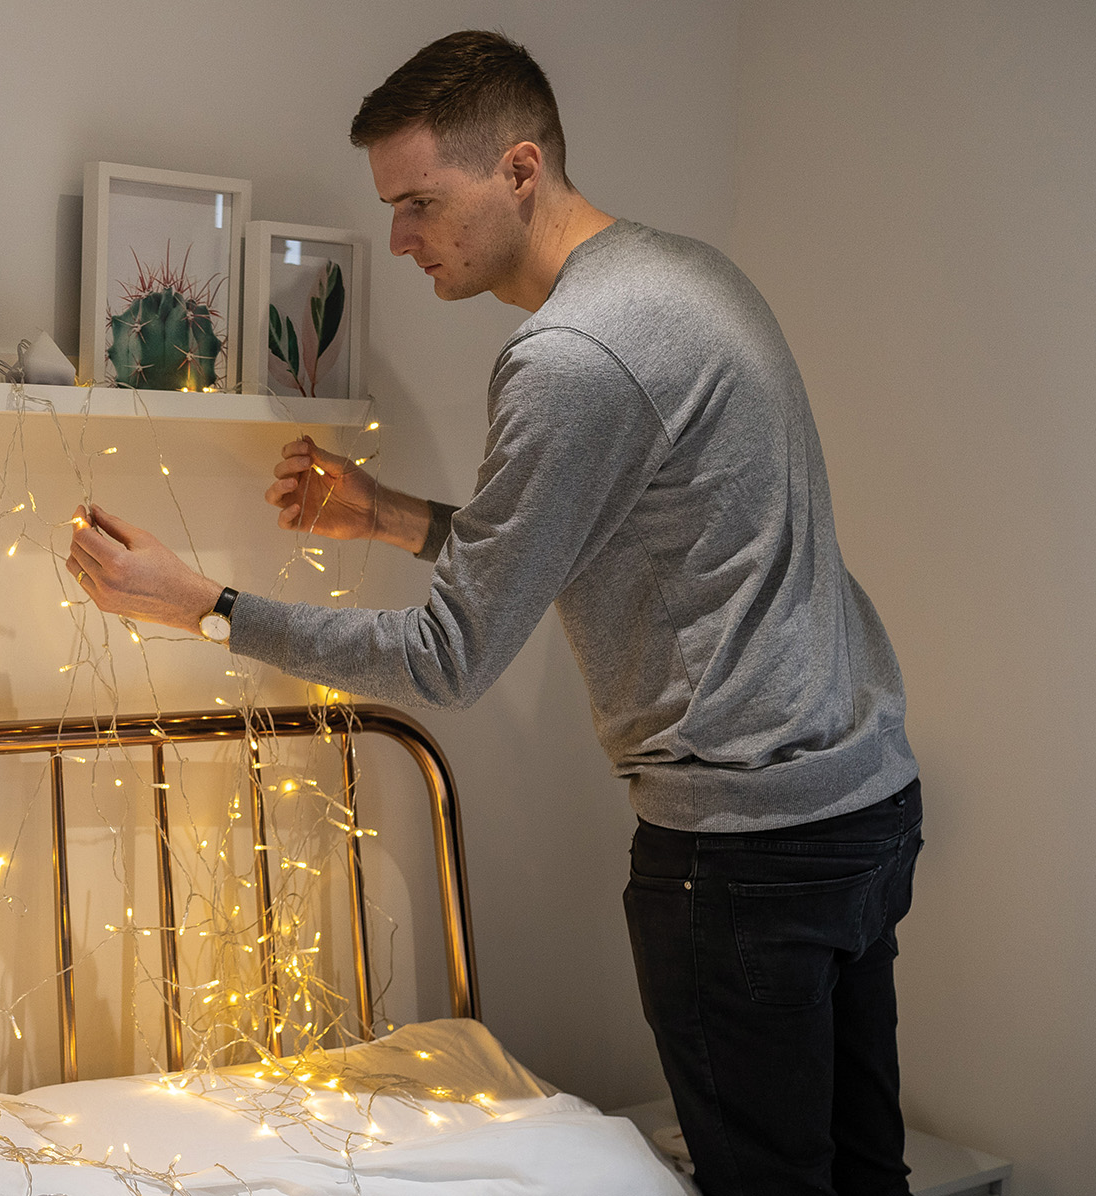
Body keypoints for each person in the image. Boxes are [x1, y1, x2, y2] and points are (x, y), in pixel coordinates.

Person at [64, 29, 923, 1196]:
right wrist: (393, 517)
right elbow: (625, 543)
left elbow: (448, 658)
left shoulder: (568, 354)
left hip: (741, 851)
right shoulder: (682, 277)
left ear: (519, 170)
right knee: (864, 1169)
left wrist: (201, 605)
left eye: (421, 201)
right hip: (859, 805)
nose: (400, 236)